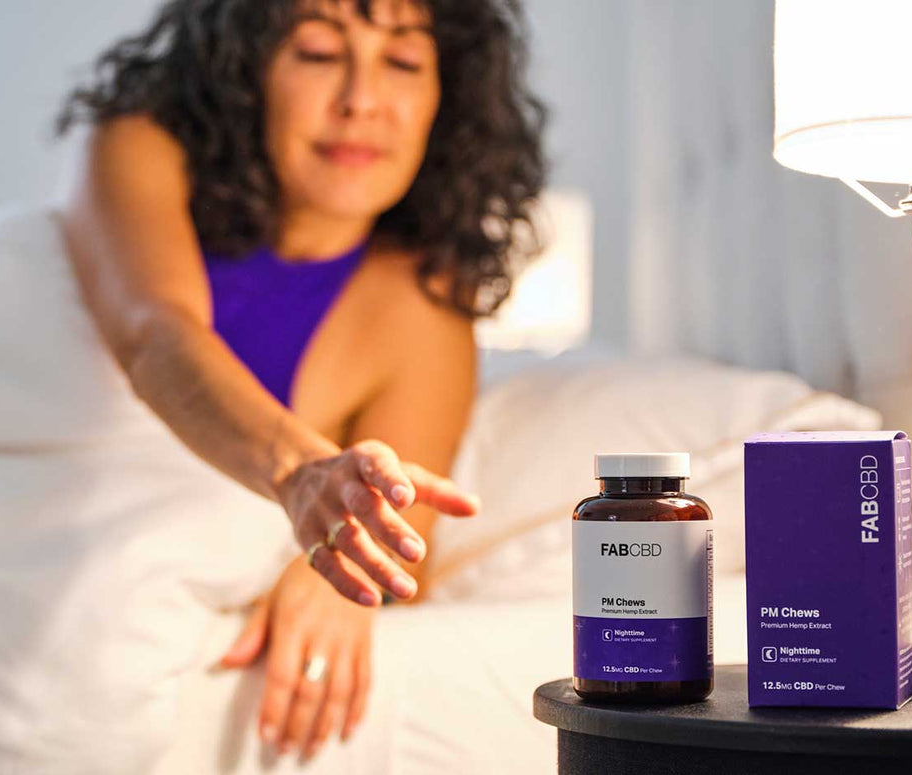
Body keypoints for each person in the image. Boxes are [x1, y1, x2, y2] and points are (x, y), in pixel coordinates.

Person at [54, 0, 545, 761]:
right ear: (246, 72)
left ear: (446, 95)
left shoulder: (422, 304)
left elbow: (398, 526)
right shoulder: (140, 147)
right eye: (318, 53)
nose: (360, 100)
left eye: (404, 62)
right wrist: (301, 472)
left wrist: (338, 574)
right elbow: (155, 336)